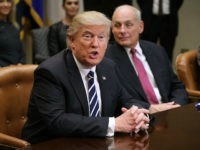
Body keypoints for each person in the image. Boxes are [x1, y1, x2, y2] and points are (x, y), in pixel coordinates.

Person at [22, 11, 150, 144]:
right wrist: (113, 124)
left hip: (93, 142)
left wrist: (138, 114)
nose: (95, 44)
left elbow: (125, 99)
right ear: (72, 41)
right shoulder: (50, 72)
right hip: (50, 144)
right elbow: (57, 121)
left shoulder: (108, 67)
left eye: (101, 37)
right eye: (88, 36)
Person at [106, 5, 188, 114]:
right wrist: (150, 108)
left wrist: (176, 105)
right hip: (139, 118)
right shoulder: (107, 58)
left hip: (171, 113)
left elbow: (177, 86)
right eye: (117, 25)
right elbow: (116, 99)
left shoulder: (157, 51)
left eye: (128, 25)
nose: (122, 30)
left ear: (140, 27)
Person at [0, 0, 25, 67]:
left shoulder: (14, 26)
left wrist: (21, 63)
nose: (6, 5)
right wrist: (7, 68)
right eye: (1, 1)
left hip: (17, 70)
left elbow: (21, 52)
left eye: (8, 1)